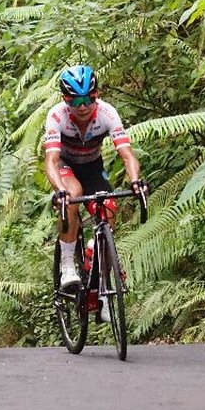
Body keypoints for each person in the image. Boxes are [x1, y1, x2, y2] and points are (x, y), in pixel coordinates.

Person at [43, 65, 148, 295]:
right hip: (65, 166)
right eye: (75, 101)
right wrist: (59, 189)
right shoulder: (56, 116)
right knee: (71, 196)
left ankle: (102, 290)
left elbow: (127, 154)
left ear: (96, 96)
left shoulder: (107, 114)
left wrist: (135, 180)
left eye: (88, 99)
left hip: (92, 167)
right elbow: (50, 160)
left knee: (108, 208)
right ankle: (68, 266)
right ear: (65, 99)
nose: (82, 107)